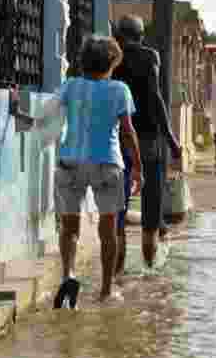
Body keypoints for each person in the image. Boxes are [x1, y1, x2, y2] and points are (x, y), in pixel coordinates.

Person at [29, 36, 144, 306]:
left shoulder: (71, 86)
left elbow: (47, 112)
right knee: (109, 230)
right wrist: (137, 167)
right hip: (107, 164)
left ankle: (69, 275)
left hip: (70, 162)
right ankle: (106, 290)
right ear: (112, 62)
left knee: (69, 227)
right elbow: (128, 132)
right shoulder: (119, 90)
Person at [112, 16, 183, 274]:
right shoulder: (149, 56)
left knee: (118, 208)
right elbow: (155, 97)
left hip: (119, 138)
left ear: (119, 35)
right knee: (151, 206)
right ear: (141, 36)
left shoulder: (112, 58)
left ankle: (116, 276)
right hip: (150, 139)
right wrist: (171, 138)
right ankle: (149, 273)